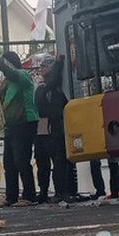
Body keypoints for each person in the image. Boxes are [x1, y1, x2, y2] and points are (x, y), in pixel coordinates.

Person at [0, 49, 39, 205]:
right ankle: (11, 196)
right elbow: (1, 102)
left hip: (25, 122)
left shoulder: (22, 76)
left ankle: (29, 195)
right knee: (9, 163)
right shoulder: (8, 83)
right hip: (12, 125)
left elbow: (11, 72)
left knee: (21, 159)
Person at [34, 55, 72, 202]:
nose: (42, 69)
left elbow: (54, 80)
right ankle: (43, 191)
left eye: (45, 66)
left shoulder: (58, 88)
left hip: (55, 128)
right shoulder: (41, 88)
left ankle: (61, 191)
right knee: (42, 163)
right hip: (42, 129)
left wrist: (58, 63)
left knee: (59, 162)